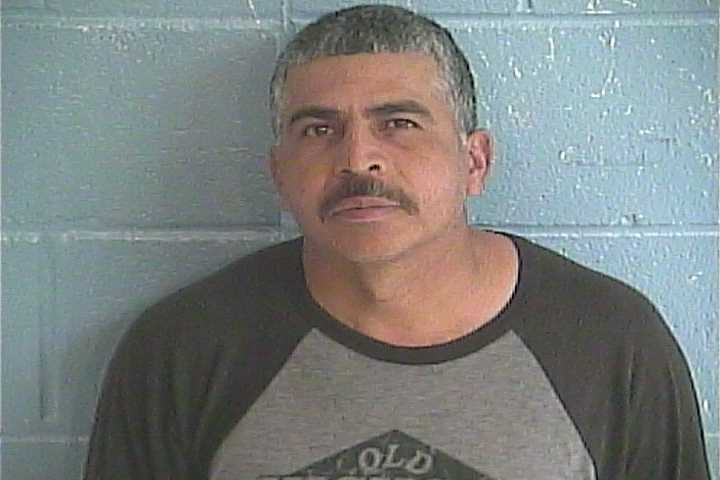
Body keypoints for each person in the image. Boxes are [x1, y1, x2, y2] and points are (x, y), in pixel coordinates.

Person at [84, 5, 711, 480]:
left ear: (475, 162)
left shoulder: (611, 340)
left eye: (399, 123)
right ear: (279, 173)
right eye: (319, 130)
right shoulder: (182, 349)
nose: (359, 159)